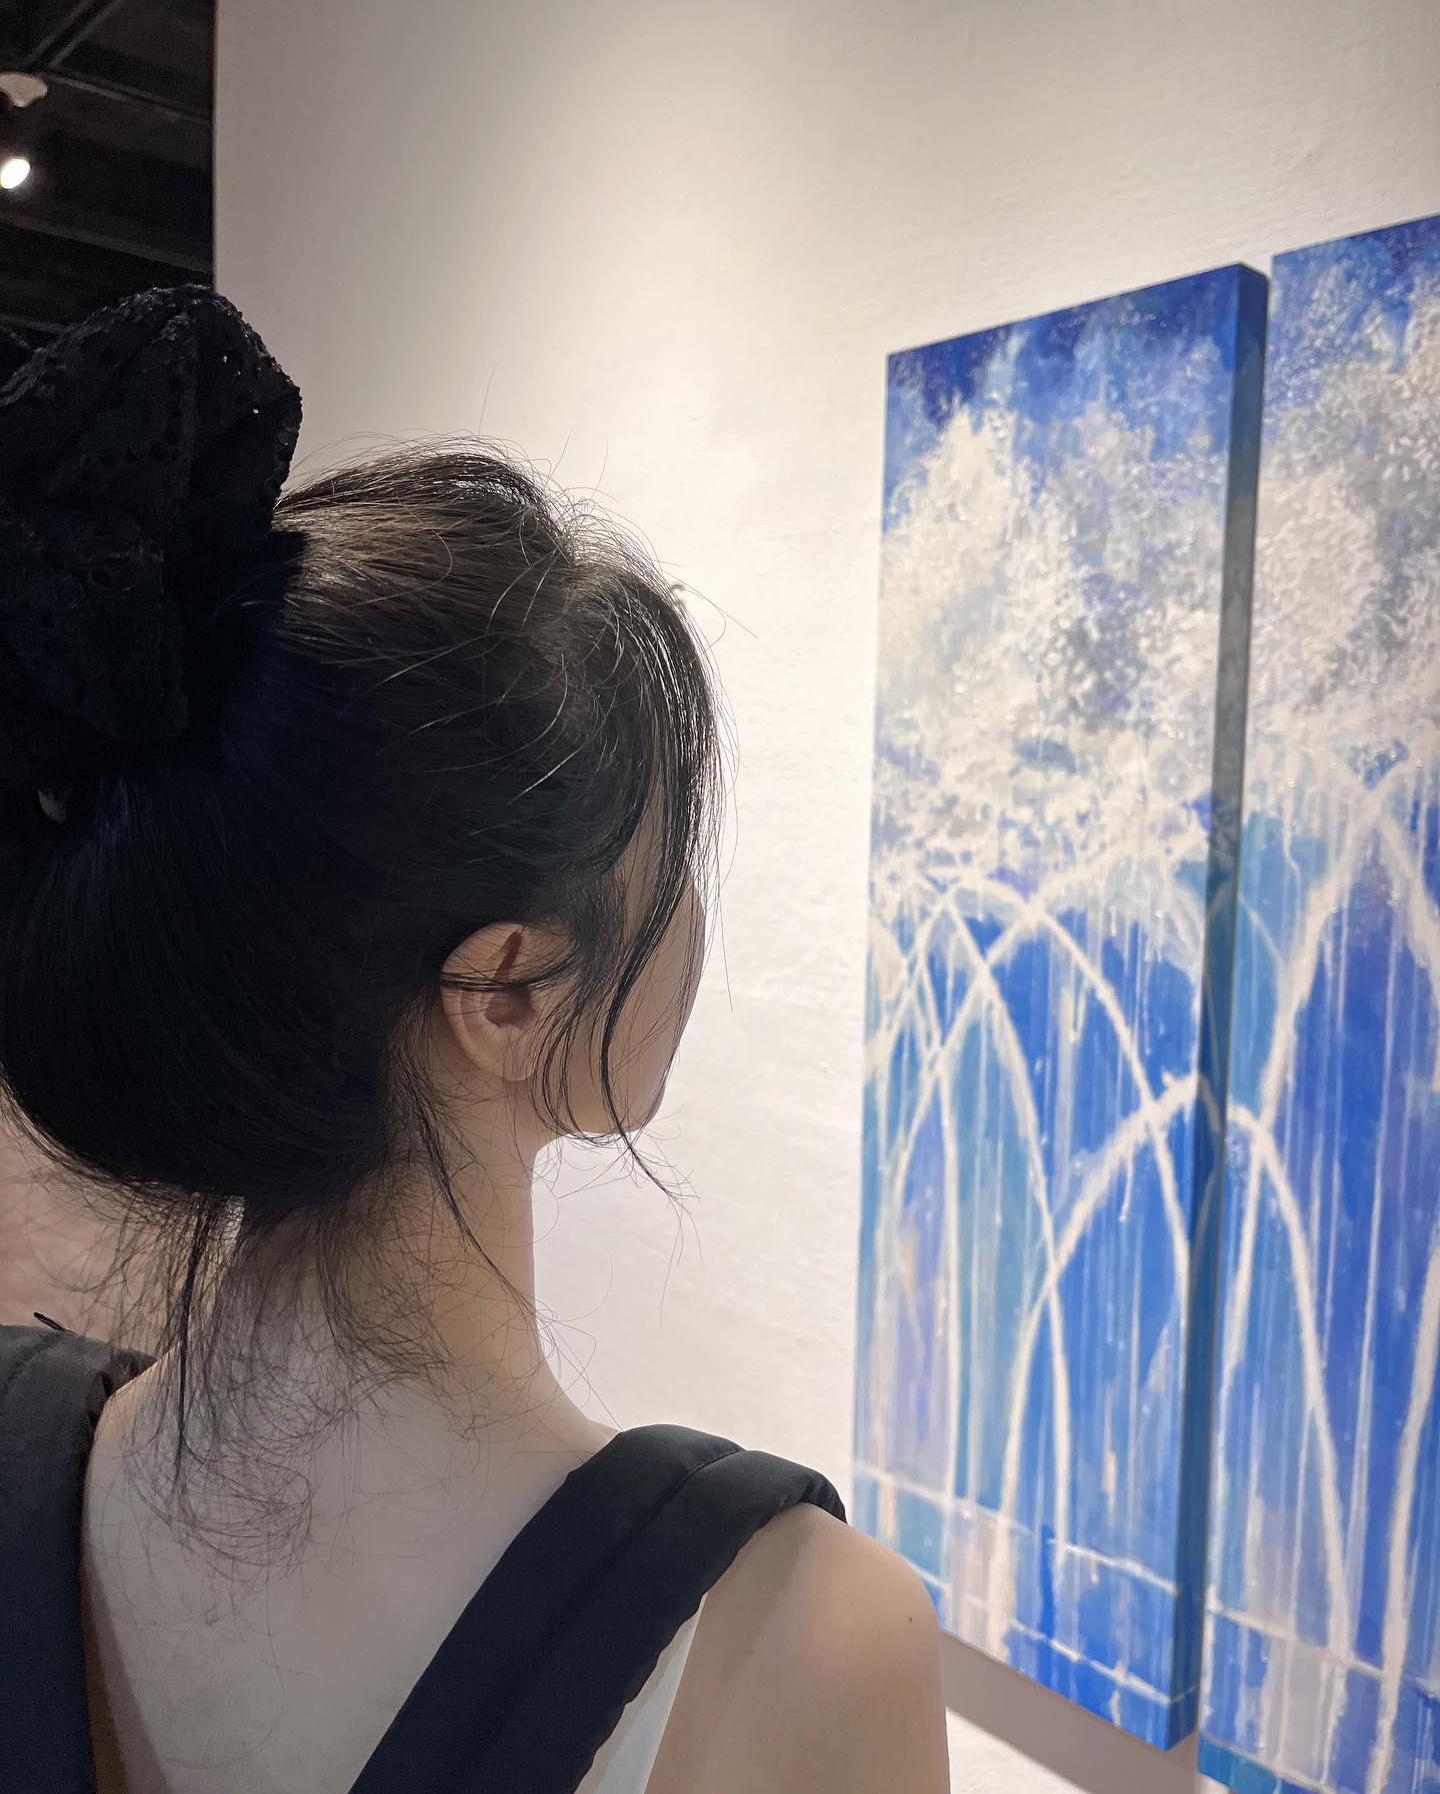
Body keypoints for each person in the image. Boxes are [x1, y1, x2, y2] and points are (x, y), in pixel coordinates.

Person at [0, 286, 948, 1793]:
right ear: (505, 990)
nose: (695, 918)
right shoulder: (804, 1641)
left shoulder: (21, 1447)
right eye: (670, 861)